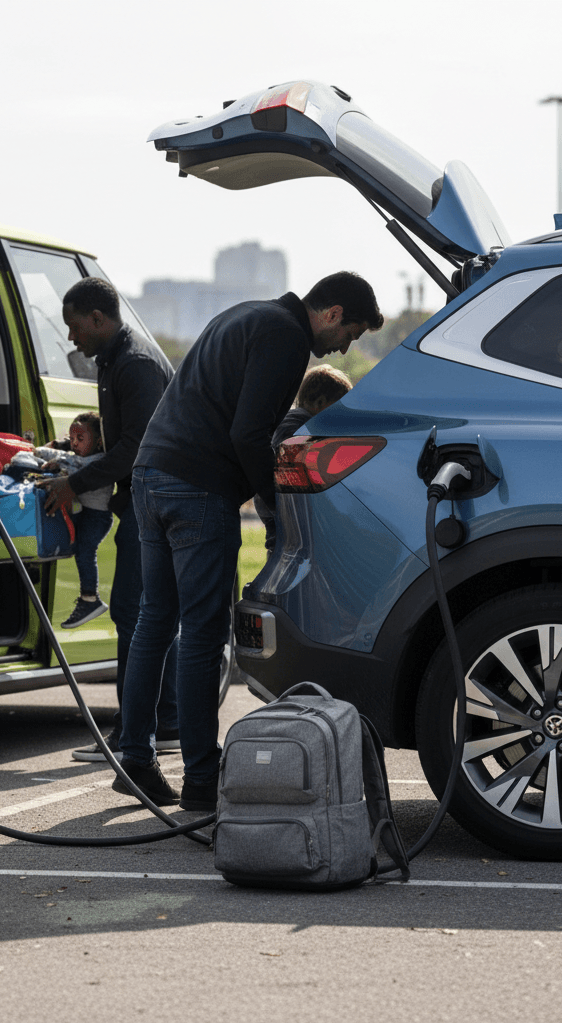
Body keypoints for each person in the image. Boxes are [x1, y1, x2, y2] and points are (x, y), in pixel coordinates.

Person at [113, 271, 383, 809]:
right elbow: (248, 433)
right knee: (203, 636)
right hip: (197, 488)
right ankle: (201, 780)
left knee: (154, 622)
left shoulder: (244, 313)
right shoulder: (285, 336)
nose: (345, 348)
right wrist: (281, 509)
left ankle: (135, 762)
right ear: (331, 314)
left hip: (150, 474)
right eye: (349, 333)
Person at [36, 277, 180, 762]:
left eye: (75, 327)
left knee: (133, 614)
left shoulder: (134, 363)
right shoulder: (118, 358)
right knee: (151, 614)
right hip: (147, 499)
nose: (71, 338)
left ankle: (132, 735)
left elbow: (136, 447)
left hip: (155, 501)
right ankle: (169, 721)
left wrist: (73, 484)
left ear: (98, 319)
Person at [254, 363, 354, 552]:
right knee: (285, 554)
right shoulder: (297, 426)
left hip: (276, 512)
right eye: (338, 409)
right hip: (282, 514)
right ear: (320, 403)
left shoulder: (294, 422)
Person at [32, 412, 113, 628]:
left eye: (80, 439)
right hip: (84, 510)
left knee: (85, 550)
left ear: (98, 442)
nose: (74, 444)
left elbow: (71, 462)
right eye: (72, 438)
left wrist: (37, 452)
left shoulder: (98, 461)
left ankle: (90, 598)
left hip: (97, 517)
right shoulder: (82, 457)